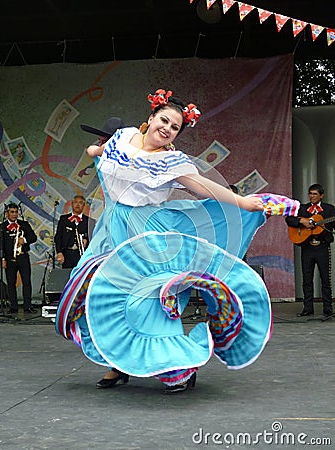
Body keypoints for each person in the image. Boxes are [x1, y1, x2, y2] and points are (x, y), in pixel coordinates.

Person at [55, 89, 299, 394]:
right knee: (103, 294)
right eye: (164, 120)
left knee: (150, 298)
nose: (167, 128)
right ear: (151, 118)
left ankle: (177, 367)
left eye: (174, 127)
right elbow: (102, 153)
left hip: (148, 232)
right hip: (111, 230)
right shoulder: (123, 137)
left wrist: (244, 203)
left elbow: (203, 187)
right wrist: (94, 151)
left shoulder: (171, 161)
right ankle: (118, 363)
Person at [286, 183, 335, 318]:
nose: (312, 196)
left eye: (315, 194)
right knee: (307, 278)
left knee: (325, 279)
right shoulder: (303, 209)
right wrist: (303, 221)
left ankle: (327, 309)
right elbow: (289, 219)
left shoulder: (329, 209)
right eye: (310, 193)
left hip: (322, 247)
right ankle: (308, 308)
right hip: (307, 248)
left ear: (321, 195)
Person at [0, 203, 37, 313]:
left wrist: (24, 240)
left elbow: (33, 237)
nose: (14, 214)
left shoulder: (24, 224)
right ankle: (13, 306)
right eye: (12, 212)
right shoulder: (1, 227)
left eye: (16, 212)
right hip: (9, 259)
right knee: (11, 283)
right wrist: (2, 259)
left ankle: (27, 306)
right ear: (7, 213)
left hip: (23, 257)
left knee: (26, 281)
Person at [54, 195, 96, 269]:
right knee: (67, 277)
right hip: (67, 254)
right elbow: (58, 237)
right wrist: (59, 252)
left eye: (80, 203)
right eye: (75, 202)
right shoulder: (64, 219)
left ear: (83, 206)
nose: (78, 204)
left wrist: (87, 240)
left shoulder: (90, 221)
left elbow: (94, 240)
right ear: (72, 204)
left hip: (82, 255)